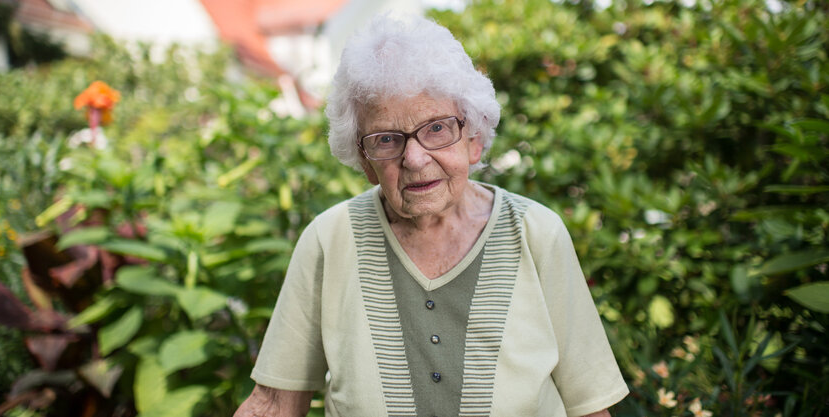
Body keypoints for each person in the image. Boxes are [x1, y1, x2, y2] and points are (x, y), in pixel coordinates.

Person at [235, 13, 629, 417]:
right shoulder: (329, 240)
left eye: (437, 129)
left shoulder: (535, 234)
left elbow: (591, 408)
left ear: (474, 139)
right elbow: (273, 405)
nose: (415, 158)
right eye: (386, 139)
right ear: (366, 162)